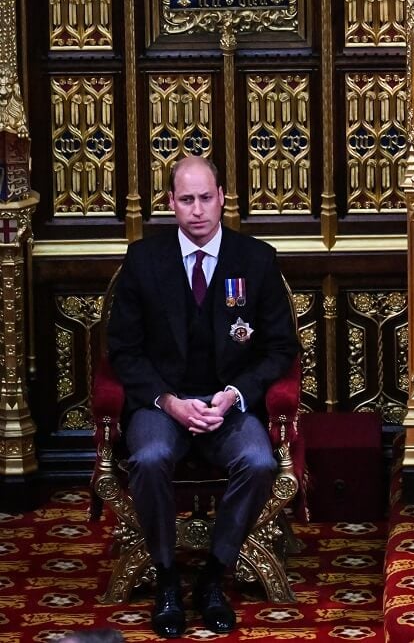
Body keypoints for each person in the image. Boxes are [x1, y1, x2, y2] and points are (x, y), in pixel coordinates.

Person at [106, 155, 299, 637]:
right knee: (148, 458)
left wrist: (234, 395)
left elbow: (280, 350)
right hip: (162, 406)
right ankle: (168, 576)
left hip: (226, 405)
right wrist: (168, 402)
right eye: (186, 199)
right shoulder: (143, 261)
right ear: (170, 203)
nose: (197, 210)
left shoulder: (255, 260)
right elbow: (123, 353)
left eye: (205, 198)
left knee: (258, 462)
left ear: (222, 199)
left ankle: (214, 576)